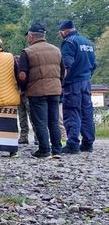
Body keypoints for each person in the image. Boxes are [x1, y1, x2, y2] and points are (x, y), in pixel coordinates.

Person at [18, 23, 65, 159]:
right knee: (54, 121)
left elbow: (22, 75)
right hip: (55, 90)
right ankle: (57, 149)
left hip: (37, 92)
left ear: (31, 36)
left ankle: (44, 150)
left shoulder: (27, 52)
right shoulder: (56, 50)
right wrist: (58, 83)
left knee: (40, 121)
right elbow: (64, 71)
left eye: (28, 36)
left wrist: (23, 88)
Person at [59, 20, 97, 154]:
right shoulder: (88, 43)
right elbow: (94, 65)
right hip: (86, 82)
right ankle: (88, 143)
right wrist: (86, 76)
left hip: (73, 82)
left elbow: (66, 66)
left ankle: (73, 144)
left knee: (72, 111)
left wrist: (62, 83)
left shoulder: (69, 42)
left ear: (64, 31)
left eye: (60, 33)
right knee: (86, 112)